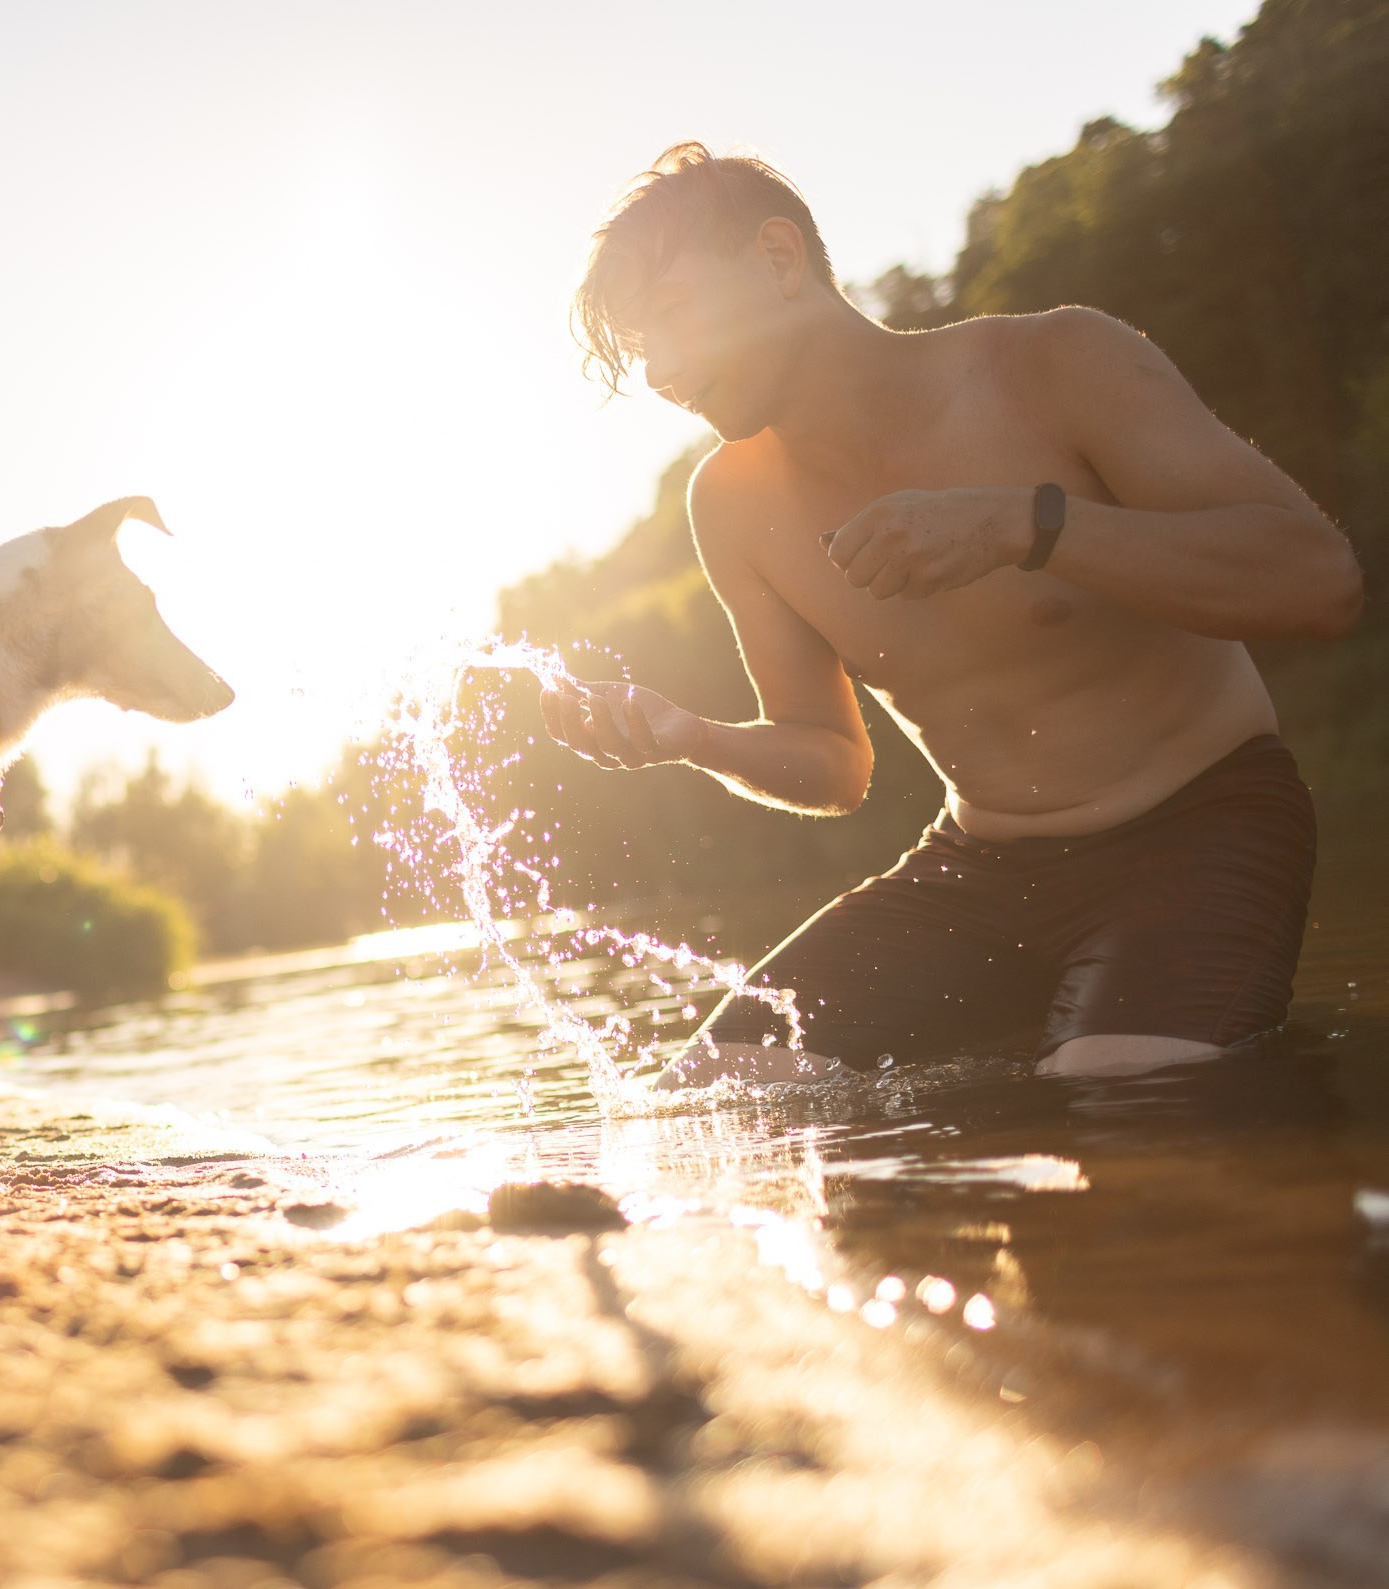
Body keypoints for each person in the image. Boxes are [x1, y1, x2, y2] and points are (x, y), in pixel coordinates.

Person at [548, 143, 1364, 1083]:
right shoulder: (728, 503)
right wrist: (691, 735)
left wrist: (1025, 524)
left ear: (779, 260)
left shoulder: (1057, 362)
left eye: (671, 319)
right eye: (642, 346)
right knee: (719, 1093)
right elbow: (833, 762)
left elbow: (1321, 579)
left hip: (1203, 822)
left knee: (1125, 1101)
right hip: (980, 869)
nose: (660, 371)